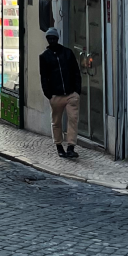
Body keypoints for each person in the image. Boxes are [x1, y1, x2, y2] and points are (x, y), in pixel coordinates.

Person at [39, 27, 83, 160]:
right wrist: (49, 95)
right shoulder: (44, 57)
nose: (52, 40)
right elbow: (44, 77)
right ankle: (59, 146)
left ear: (57, 39)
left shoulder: (68, 53)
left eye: (54, 38)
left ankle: (70, 147)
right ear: (47, 39)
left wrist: (77, 91)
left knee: (73, 120)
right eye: (49, 38)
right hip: (56, 96)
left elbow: (76, 72)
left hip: (70, 94)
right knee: (56, 122)